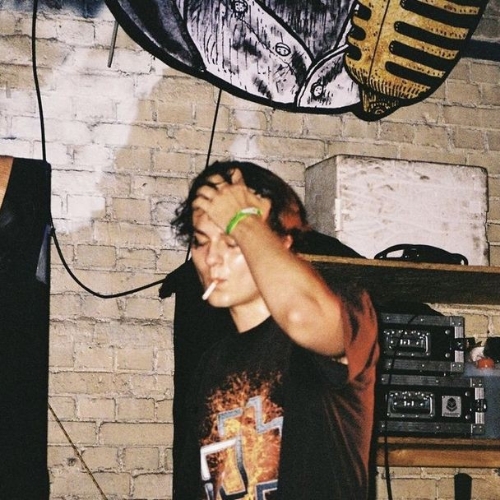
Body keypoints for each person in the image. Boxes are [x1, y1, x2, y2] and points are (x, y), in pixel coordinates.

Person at [171, 160, 379, 499]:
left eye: (232, 242)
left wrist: (243, 220)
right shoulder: (211, 363)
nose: (212, 259)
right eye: (201, 241)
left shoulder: (346, 308)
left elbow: (300, 315)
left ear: (280, 242)